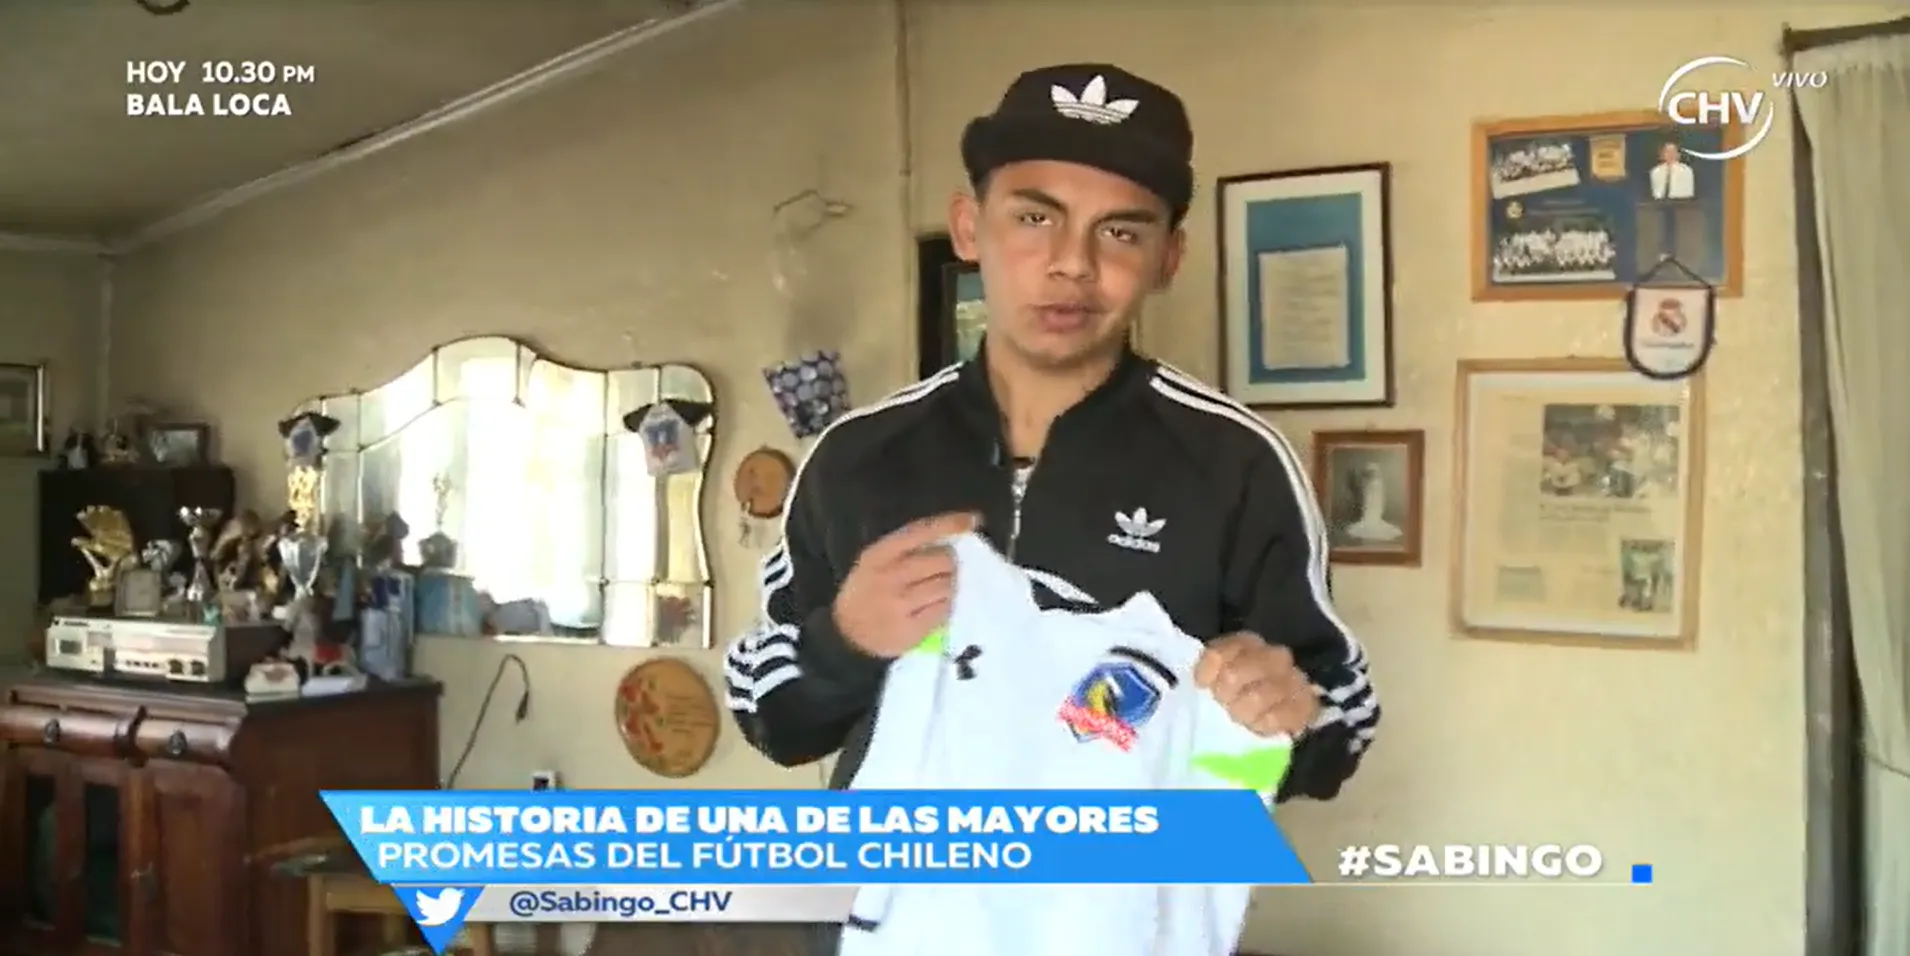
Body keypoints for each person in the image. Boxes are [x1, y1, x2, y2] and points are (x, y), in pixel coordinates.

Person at [723, 63, 1380, 952]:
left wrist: (1283, 720)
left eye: (1121, 230)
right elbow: (776, 724)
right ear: (969, 227)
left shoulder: (1237, 463)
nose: (1073, 263)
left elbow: (1332, 725)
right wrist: (846, 641)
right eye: (1034, 217)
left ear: (1168, 259)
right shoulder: (856, 460)